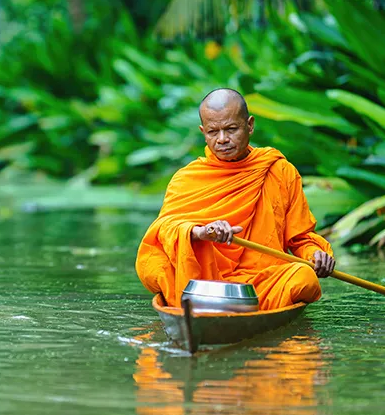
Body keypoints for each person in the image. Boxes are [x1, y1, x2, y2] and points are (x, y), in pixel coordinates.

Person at [135, 88, 336, 310]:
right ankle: (212, 308)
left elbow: (300, 238)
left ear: (249, 125)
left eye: (231, 129)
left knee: (304, 278)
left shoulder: (278, 170)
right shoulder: (187, 178)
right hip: (203, 281)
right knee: (154, 266)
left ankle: (231, 308)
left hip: (262, 281)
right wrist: (200, 232)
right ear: (203, 131)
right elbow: (165, 229)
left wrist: (316, 256)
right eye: (213, 132)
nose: (222, 139)